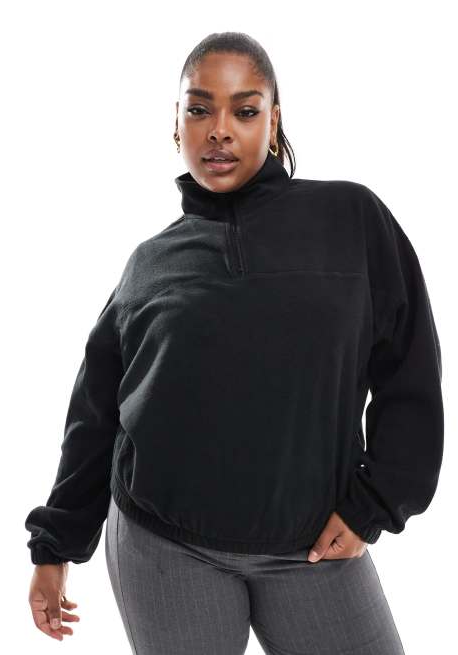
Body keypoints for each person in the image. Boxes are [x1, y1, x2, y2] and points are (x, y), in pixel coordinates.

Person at [25, 32, 444, 654]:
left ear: (273, 123)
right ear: (176, 124)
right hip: (165, 549)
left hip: (313, 546)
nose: (219, 130)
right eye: (200, 109)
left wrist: (374, 504)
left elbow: (410, 371)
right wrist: (54, 548)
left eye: (244, 111)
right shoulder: (150, 265)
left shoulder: (351, 220)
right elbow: (96, 415)